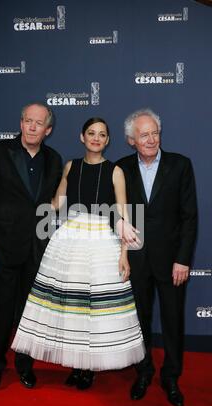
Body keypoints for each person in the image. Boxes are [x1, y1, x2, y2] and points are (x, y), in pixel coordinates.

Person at [11, 117, 145, 389]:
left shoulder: (115, 171)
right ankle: (76, 365)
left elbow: (123, 213)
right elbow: (57, 203)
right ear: (82, 137)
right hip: (70, 239)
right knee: (72, 306)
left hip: (101, 243)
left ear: (108, 141)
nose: (96, 138)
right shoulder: (71, 166)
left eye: (103, 134)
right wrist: (24, 203)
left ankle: (89, 368)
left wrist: (124, 254)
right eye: (91, 133)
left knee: (94, 308)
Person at [0, 102, 63, 389]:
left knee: (30, 310)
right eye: (28, 120)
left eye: (39, 123)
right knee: (0, 307)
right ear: (21, 123)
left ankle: (24, 364)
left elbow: (51, 206)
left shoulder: (54, 159)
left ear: (48, 129)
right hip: (1, 247)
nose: (33, 126)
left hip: (36, 250)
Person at [117, 109, 197, 406]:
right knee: (139, 321)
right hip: (136, 259)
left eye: (155, 133)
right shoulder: (121, 168)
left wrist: (183, 259)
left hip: (171, 261)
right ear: (130, 140)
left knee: (173, 320)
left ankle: (171, 377)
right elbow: (115, 212)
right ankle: (143, 371)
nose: (151, 139)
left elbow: (189, 217)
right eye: (143, 135)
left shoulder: (180, 165)